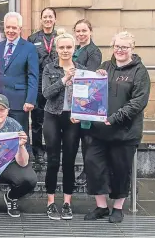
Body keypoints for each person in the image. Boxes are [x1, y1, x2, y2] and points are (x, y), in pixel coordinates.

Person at [82, 31, 150, 223]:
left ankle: (118, 207)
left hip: (124, 131)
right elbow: (92, 92)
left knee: (120, 170)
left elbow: (138, 102)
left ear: (132, 48)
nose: (120, 50)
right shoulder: (105, 67)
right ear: (113, 47)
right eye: (117, 46)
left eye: (124, 47)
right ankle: (101, 206)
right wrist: (96, 77)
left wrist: (115, 118)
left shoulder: (139, 71)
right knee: (93, 165)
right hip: (99, 130)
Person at [42, 29, 85, 220]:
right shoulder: (50, 68)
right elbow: (46, 93)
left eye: (69, 47)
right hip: (52, 115)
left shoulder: (82, 69)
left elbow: (89, 96)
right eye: (62, 47)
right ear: (56, 49)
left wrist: (80, 113)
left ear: (74, 48)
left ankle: (67, 202)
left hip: (72, 118)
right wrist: (64, 79)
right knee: (52, 160)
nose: (65, 50)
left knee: (69, 161)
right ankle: (51, 202)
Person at [0, 12, 39, 145]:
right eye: (8, 27)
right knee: (0, 138)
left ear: (20, 29)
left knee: (20, 137)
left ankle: (23, 163)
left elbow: (33, 75)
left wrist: (30, 100)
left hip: (20, 101)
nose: (10, 31)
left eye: (14, 28)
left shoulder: (29, 48)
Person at [72, 19, 103, 186]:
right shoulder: (76, 48)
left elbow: (90, 74)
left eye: (84, 31)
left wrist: (73, 70)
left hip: (86, 103)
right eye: (78, 31)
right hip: (74, 99)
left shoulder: (94, 52)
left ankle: (87, 171)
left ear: (90, 31)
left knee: (87, 140)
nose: (81, 34)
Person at [27, 7, 57, 165]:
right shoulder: (32, 39)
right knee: (37, 120)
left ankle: (53, 149)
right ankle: (37, 150)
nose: (47, 19)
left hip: (57, 84)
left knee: (54, 120)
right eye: (45, 17)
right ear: (41, 19)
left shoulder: (60, 37)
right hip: (38, 84)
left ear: (54, 19)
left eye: (50, 17)